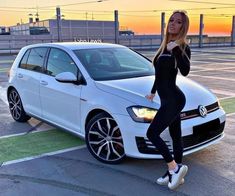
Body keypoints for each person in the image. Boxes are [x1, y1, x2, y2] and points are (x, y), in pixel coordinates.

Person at [145, 10, 191, 190]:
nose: (173, 23)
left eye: (178, 22)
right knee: (175, 136)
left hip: (175, 99)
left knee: (152, 134)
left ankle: (174, 167)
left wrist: (177, 49)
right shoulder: (164, 46)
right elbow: (160, 74)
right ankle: (174, 175)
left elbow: (186, 70)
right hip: (166, 99)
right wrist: (153, 92)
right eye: (171, 20)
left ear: (183, 26)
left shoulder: (182, 46)